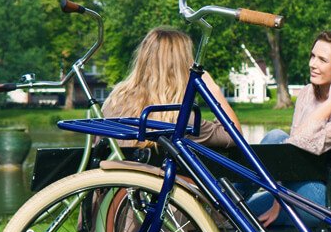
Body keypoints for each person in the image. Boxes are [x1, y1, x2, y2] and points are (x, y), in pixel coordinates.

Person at [245, 30, 331, 228]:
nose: (313, 64)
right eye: (313, 56)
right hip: (293, 189)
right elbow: (291, 155)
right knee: (240, 212)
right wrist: (277, 204)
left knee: (276, 138)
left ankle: (219, 202)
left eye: (322, 59)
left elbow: (303, 143)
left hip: (326, 199)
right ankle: (224, 203)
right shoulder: (306, 94)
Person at [101, 27, 239, 148]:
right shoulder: (181, 119)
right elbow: (234, 136)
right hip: (160, 176)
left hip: (114, 176)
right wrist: (213, 89)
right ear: (182, 67)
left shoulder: (112, 103)